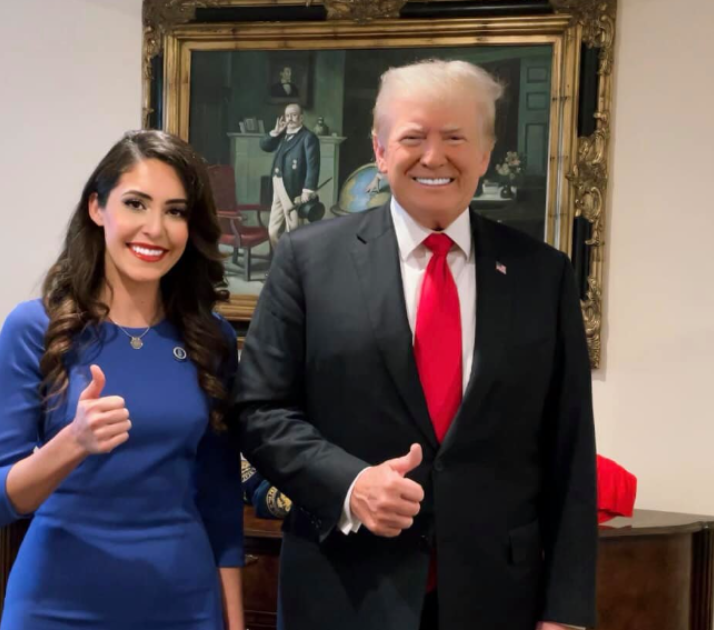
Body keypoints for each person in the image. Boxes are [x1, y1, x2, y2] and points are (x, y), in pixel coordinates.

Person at [234, 60, 598, 630]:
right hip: (343, 592)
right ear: (380, 151)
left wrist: (567, 610)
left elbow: (569, 448)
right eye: (412, 138)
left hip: (499, 598)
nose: (434, 157)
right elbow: (260, 410)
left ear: (485, 152)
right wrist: (350, 485)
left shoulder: (543, 275)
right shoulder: (306, 261)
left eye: (455, 137)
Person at [0, 130, 244, 630]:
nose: (155, 229)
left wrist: (235, 623)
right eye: (136, 204)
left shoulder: (212, 338)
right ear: (97, 207)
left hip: (183, 604)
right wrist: (72, 442)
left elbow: (221, 503)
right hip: (56, 605)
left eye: (175, 211)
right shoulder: (34, 328)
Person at [260, 103, 320, 247]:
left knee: (293, 229)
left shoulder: (308, 137)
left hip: (293, 187)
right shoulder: (282, 134)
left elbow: (313, 165)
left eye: (294, 115)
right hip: (277, 182)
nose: (290, 118)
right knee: (273, 231)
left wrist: (308, 189)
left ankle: (294, 259)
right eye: (287, 115)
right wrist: (275, 132)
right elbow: (265, 146)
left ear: (301, 118)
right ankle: (280, 257)